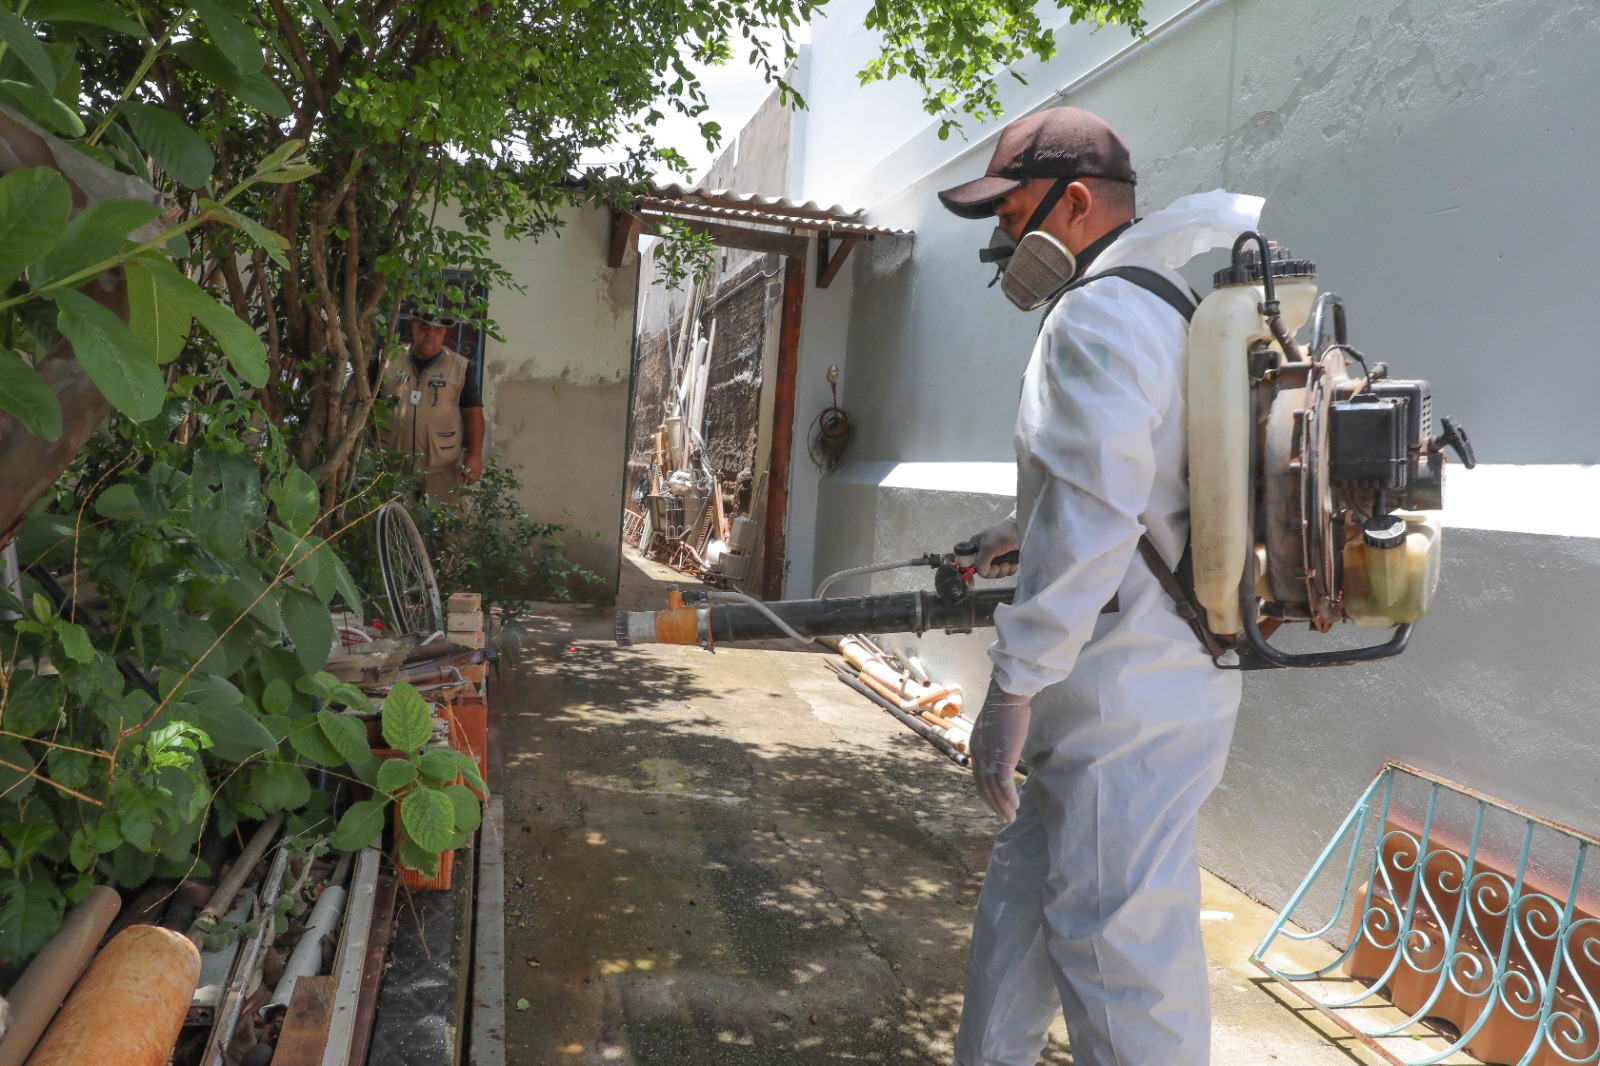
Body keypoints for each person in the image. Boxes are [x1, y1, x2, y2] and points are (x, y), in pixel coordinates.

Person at [937, 107, 1265, 1065]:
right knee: (1024, 917)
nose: (1001, 240)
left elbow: (1092, 515)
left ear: (1073, 203)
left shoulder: (1098, 312)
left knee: (1120, 960)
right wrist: (1017, 530)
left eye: (1010, 215)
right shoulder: (1162, 302)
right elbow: (1141, 483)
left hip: (1125, 703)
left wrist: (1012, 686)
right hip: (1130, 691)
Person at [377, 307, 485, 500]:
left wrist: (475, 456)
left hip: (442, 469)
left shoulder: (459, 367)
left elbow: (473, 413)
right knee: (391, 527)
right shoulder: (387, 359)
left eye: (437, 330)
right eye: (425, 327)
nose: (430, 334)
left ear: (445, 333)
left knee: (445, 528)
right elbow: (364, 404)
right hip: (392, 466)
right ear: (414, 327)